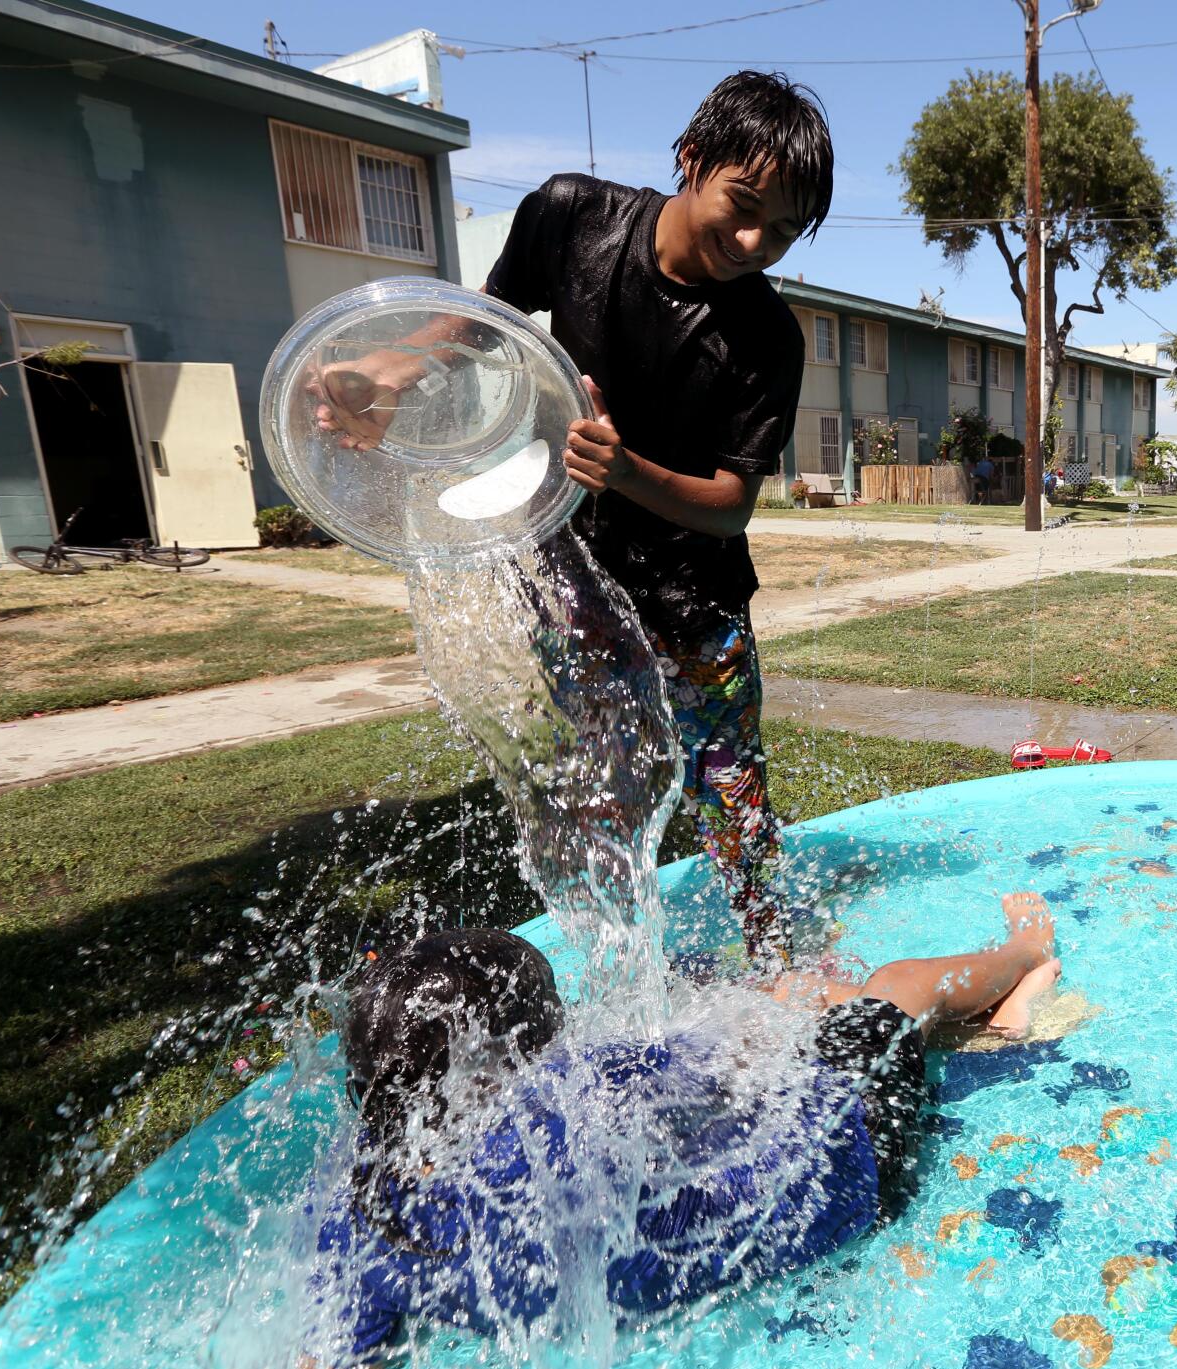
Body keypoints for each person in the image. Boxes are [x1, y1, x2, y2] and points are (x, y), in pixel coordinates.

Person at [317, 73, 836, 962]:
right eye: (743, 206)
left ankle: (777, 956)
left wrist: (626, 470)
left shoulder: (768, 336)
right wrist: (393, 373)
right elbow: (483, 324)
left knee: (730, 792)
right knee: (601, 788)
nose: (755, 243)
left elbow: (731, 506)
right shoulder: (571, 215)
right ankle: (624, 976)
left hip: (695, 603)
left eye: (783, 231)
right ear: (691, 160)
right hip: (576, 581)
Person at [310, 894, 1058, 1369]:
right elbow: (739, 1050)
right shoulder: (584, 1091)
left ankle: (993, 1025)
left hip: (689, 1274)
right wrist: (803, 1004)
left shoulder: (362, 1203)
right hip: (841, 1172)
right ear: (538, 1042)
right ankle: (1022, 958)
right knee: (894, 987)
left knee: (808, 1001)